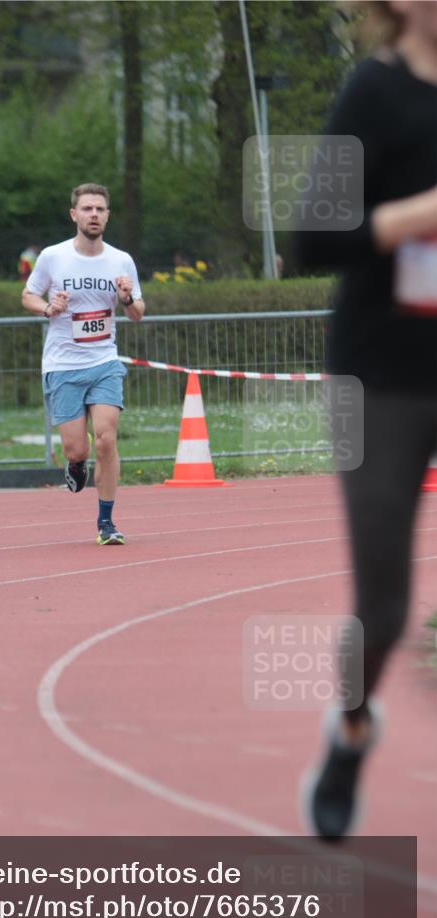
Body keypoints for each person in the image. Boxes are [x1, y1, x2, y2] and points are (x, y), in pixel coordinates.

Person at [295, 0, 437, 840]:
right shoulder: (374, 95)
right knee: (383, 604)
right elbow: (313, 237)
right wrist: (415, 215)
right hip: (381, 375)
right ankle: (350, 732)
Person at [21, 183, 145, 544]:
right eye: (87, 209)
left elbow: (138, 312)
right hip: (62, 366)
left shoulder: (121, 260)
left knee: (107, 439)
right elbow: (28, 295)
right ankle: (76, 464)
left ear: (108, 215)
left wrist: (126, 299)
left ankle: (106, 523)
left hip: (104, 361)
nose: (94, 214)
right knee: (80, 448)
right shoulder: (53, 257)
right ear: (74, 215)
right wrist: (47, 307)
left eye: (100, 209)